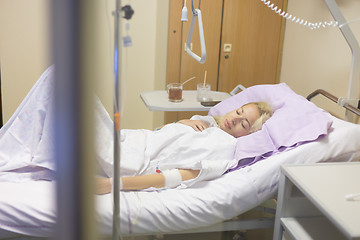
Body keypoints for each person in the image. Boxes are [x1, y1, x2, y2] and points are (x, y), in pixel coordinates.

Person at [95, 101, 273, 194]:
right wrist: (181, 122)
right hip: (128, 140)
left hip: (129, 160)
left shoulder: (224, 147)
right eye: (239, 112)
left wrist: (111, 185)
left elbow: (175, 177)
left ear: (250, 135)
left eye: (243, 124)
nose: (234, 118)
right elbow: (159, 134)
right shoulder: (206, 122)